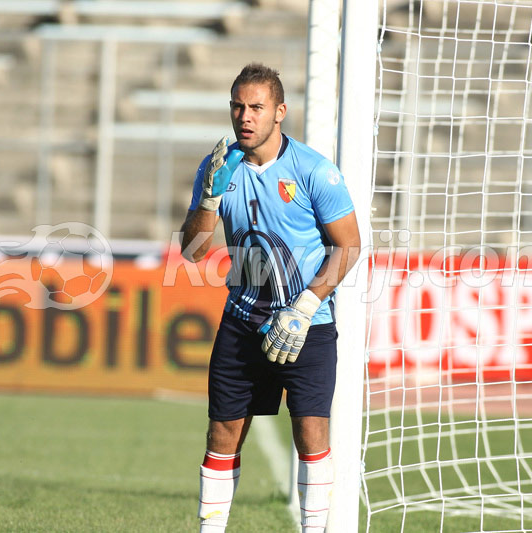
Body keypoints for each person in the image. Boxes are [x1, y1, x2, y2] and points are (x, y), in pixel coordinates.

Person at [180, 63, 361, 532]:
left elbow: (350, 246)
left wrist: (304, 308)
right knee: (222, 434)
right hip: (242, 321)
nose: (245, 117)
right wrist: (207, 201)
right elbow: (193, 250)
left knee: (311, 433)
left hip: (308, 325)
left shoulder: (314, 170)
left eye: (256, 107)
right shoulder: (218, 166)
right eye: (237, 106)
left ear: (280, 111)